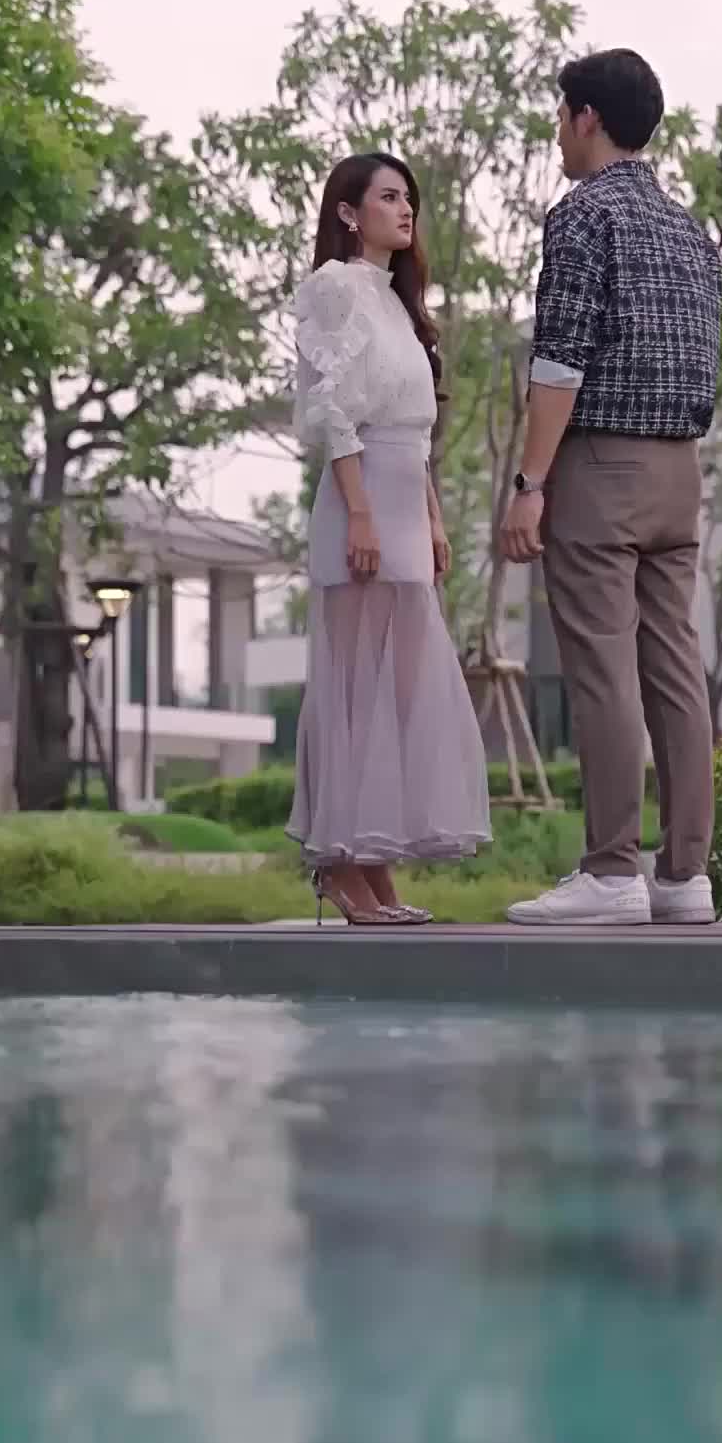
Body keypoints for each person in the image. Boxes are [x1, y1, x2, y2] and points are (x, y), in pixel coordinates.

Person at [501, 50, 721, 927]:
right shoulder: (689, 229)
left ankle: (610, 871)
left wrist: (530, 482)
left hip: (602, 465)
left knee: (601, 669)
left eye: (562, 115)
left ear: (588, 117)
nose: (559, 132)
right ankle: (685, 876)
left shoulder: (583, 216)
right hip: (681, 471)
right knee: (675, 671)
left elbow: (559, 362)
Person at [286, 152, 491, 923]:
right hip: (360, 504)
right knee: (352, 690)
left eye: (410, 199)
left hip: (406, 504)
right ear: (348, 212)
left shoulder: (399, 302)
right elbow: (334, 411)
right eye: (388, 197)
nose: (406, 210)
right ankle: (339, 865)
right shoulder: (335, 287)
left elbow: (414, 429)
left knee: (397, 694)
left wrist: (432, 517)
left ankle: (371, 863)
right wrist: (362, 512)